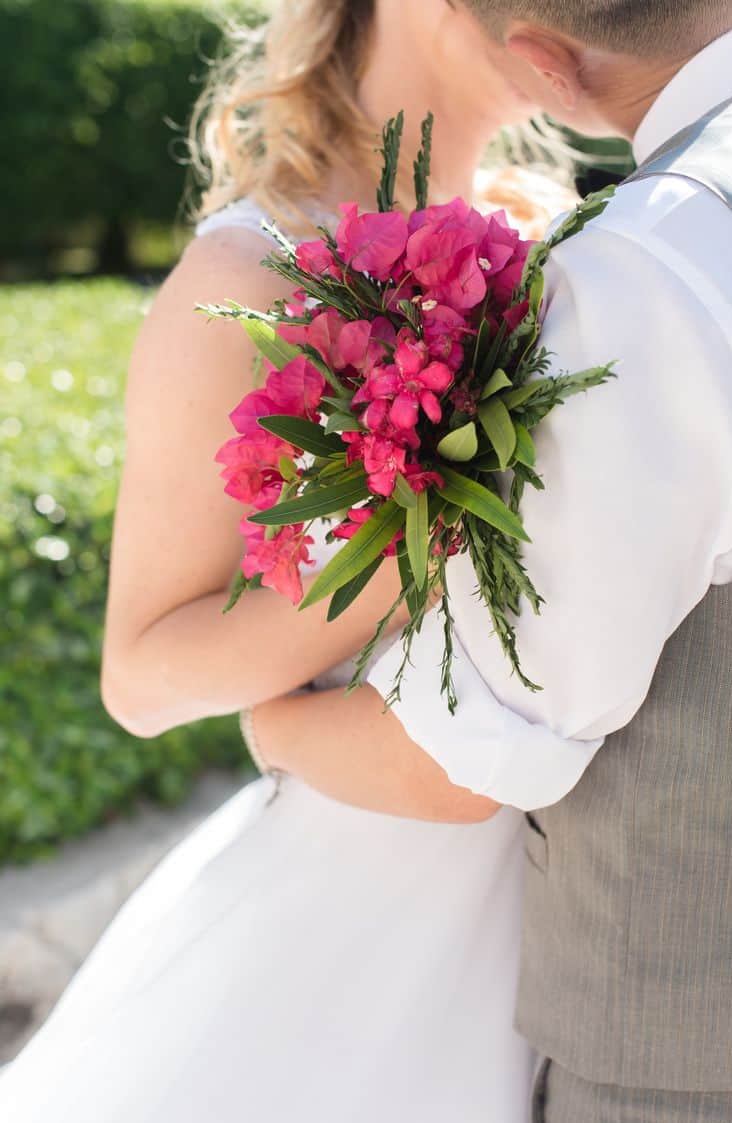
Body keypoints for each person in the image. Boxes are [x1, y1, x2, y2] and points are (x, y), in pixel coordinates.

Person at [0, 1, 578, 1118]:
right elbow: (142, 674)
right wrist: (421, 528)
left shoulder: (562, 244)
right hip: (348, 952)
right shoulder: (249, 276)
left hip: (559, 935)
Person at [241, 3, 732, 1121]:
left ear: (548, 67)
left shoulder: (661, 257)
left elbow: (469, 753)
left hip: (701, 1045)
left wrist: (268, 725)